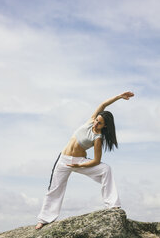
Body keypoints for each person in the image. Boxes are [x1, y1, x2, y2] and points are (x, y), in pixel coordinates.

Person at [35, 91, 134, 230]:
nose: (96, 123)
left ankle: (112, 205)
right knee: (54, 189)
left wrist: (79, 165)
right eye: (96, 120)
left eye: (99, 123)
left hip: (80, 161)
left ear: (104, 126)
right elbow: (103, 104)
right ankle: (44, 219)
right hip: (63, 160)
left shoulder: (98, 138)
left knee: (106, 169)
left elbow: (96, 161)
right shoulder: (91, 121)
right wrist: (118, 97)